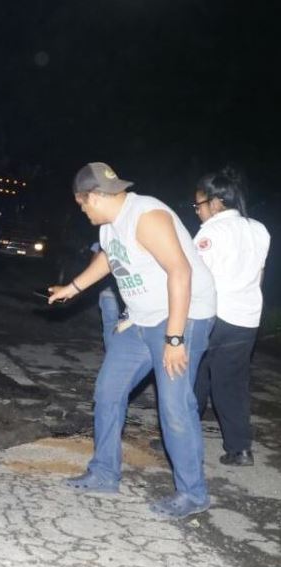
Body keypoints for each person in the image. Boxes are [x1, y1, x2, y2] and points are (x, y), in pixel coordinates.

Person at [49, 162, 216, 519]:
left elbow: (180, 271)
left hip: (182, 317)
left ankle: (193, 493)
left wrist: (174, 338)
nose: (82, 211)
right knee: (108, 391)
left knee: (174, 406)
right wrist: (72, 288)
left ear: (94, 196)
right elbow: (110, 259)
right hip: (141, 319)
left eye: (82, 204)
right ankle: (104, 473)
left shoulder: (146, 215)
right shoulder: (112, 226)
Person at [191, 167, 271, 466]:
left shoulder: (212, 231)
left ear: (214, 202)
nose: (198, 212)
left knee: (193, 379)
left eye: (198, 205)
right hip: (246, 317)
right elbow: (258, 277)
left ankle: (181, 439)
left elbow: (196, 276)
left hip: (213, 316)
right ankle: (240, 449)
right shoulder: (259, 229)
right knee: (232, 384)